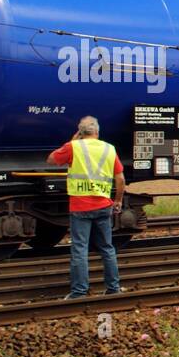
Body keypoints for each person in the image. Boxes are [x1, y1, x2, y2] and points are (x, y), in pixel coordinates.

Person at [47, 116, 125, 298]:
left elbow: (51, 159)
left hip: (80, 206)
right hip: (103, 204)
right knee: (107, 247)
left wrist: (72, 141)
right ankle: (113, 288)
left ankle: (79, 291)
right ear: (97, 131)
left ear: (80, 133)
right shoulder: (109, 148)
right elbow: (120, 179)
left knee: (80, 249)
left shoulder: (74, 147)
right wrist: (118, 200)